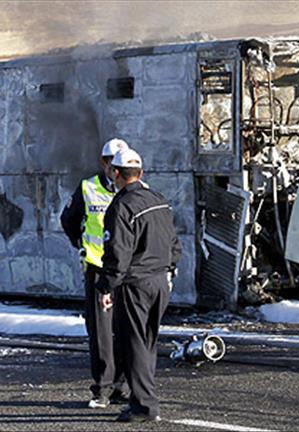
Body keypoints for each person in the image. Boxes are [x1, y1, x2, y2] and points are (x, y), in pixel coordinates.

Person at [98, 148, 181, 423]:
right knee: (147, 342)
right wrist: (170, 268)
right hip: (160, 281)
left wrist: (106, 286)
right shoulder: (158, 200)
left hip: (135, 283)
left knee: (133, 344)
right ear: (141, 173)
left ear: (116, 173)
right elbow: (174, 242)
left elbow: (118, 252)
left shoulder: (121, 206)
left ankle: (144, 406)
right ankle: (143, 399)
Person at [59, 138, 130, 409]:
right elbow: (69, 220)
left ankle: (123, 385)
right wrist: (81, 244)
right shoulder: (88, 187)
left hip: (126, 269)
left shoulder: (135, 188)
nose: (116, 167)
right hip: (98, 268)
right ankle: (102, 388)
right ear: (104, 162)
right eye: (112, 162)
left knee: (126, 328)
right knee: (101, 332)